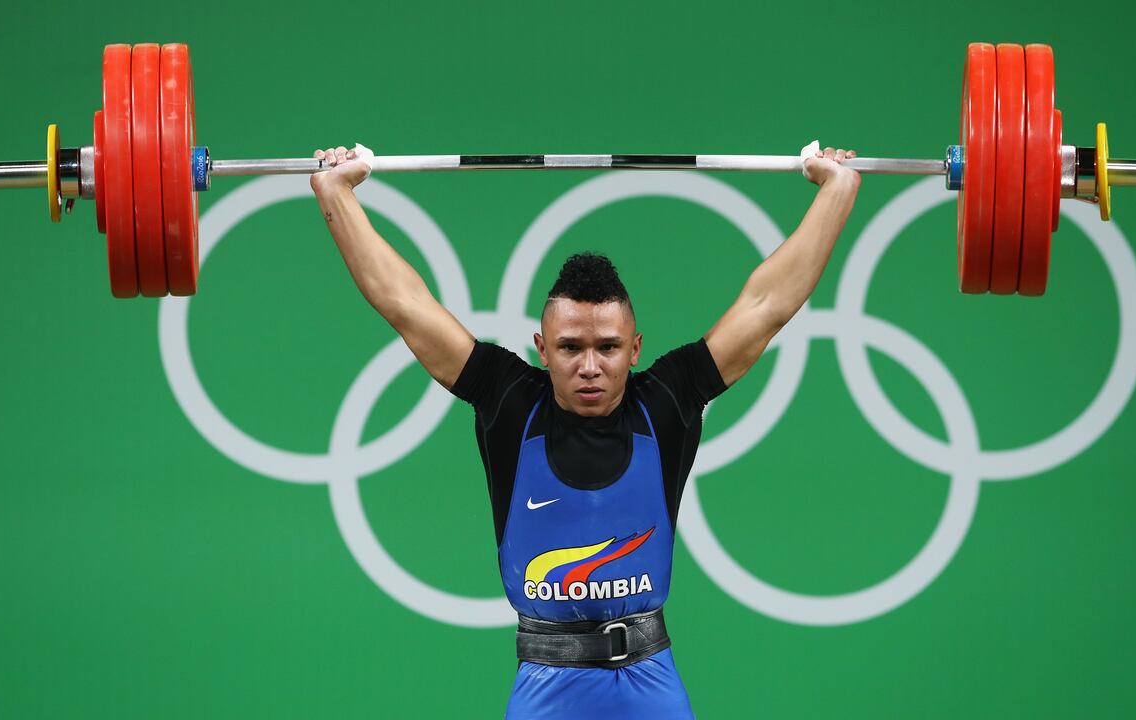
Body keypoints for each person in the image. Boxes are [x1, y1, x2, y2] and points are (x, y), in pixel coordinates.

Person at [310, 143, 860, 719]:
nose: (590, 365)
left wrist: (837, 193)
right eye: (571, 348)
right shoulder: (509, 401)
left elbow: (768, 303)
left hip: (652, 688)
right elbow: (405, 304)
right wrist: (336, 194)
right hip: (548, 690)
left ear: (635, 348)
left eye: (608, 347)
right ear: (542, 348)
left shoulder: (667, 401)